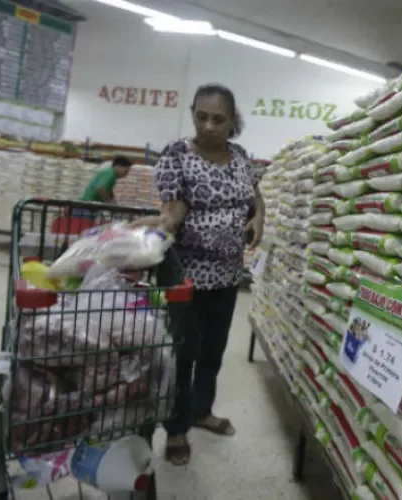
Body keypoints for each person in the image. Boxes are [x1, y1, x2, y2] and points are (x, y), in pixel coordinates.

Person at [130, 84, 264, 466]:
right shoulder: (176, 155)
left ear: (232, 120)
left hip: (226, 276)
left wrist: (259, 218)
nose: (208, 125)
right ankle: (175, 429)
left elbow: (256, 195)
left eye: (218, 118)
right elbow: (174, 207)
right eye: (201, 116)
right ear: (192, 114)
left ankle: (201, 411)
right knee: (182, 352)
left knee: (213, 351)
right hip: (185, 277)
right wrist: (163, 224)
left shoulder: (239, 156)